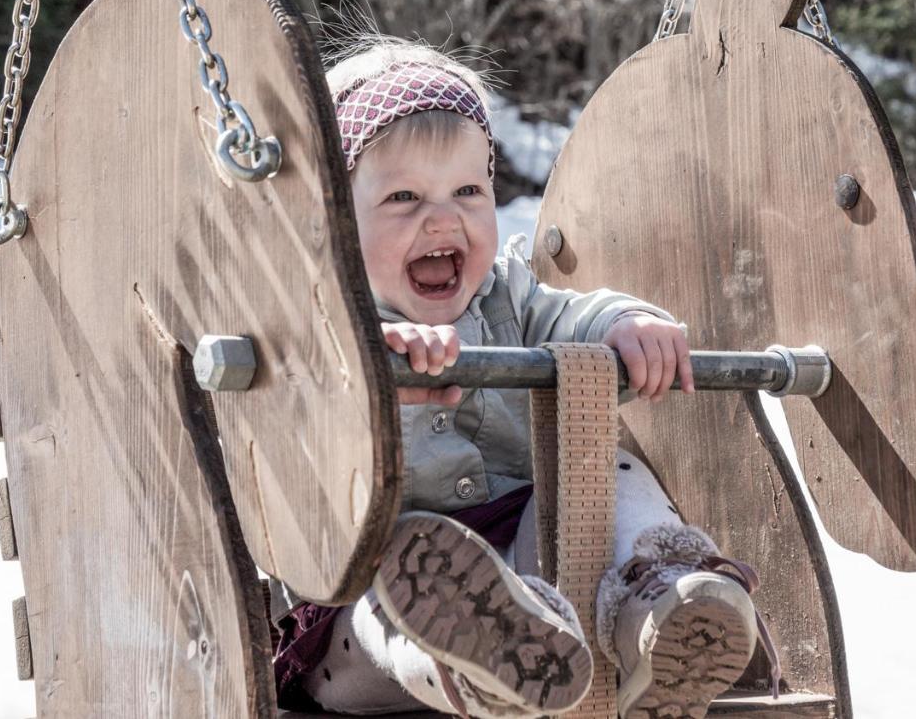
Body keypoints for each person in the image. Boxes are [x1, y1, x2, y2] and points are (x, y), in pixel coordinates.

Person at [270, 37, 773, 719]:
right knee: (387, 609)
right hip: (361, 601)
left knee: (607, 470)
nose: (444, 216)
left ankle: (662, 614)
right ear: (332, 221)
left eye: (469, 190)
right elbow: (276, 459)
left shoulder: (508, 299)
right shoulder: (316, 329)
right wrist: (365, 370)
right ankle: (473, 670)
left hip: (536, 576)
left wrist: (626, 324)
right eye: (404, 196)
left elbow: (576, 315)